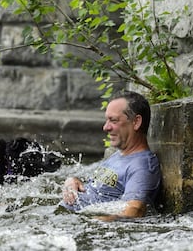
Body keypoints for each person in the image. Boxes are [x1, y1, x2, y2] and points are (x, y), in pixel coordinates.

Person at [60, 90, 161, 221]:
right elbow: (98, 189)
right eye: (107, 120)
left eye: (113, 120)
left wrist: (93, 223)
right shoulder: (118, 155)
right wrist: (73, 181)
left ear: (136, 122)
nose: (105, 127)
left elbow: (135, 210)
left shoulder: (141, 167)